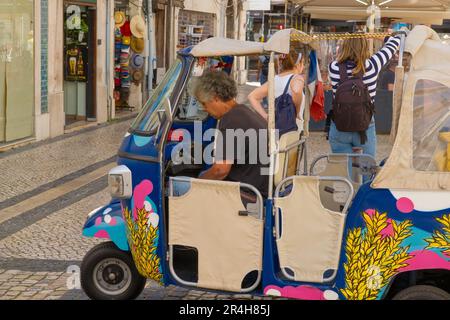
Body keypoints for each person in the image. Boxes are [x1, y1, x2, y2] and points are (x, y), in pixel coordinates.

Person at [172, 70, 269, 198]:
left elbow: (220, 170)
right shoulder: (244, 112)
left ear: (215, 98)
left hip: (243, 194)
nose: (205, 109)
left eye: (204, 104)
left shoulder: (231, 120)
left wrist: (200, 181)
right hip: (255, 187)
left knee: (175, 184)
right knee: (202, 174)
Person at [327, 35, 401, 158]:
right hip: (364, 127)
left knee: (344, 170)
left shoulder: (333, 67)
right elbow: (395, 42)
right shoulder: (373, 65)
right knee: (366, 169)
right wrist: (380, 36)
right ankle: (365, 178)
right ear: (365, 47)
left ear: (344, 46)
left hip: (340, 125)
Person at [248, 49, 305, 134]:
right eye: (303, 63)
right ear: (298, 64)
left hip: (277, 126)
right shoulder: (297, 78)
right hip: (293, 127)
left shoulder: (275, 79)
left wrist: (266, 117)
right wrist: (297, 111)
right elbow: (296, 91)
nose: (303, 66)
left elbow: (252, 96)